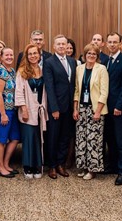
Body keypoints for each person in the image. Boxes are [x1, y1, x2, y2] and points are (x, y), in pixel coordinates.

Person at [73, 44, 109, 180]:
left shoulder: (101, 69)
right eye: (89, 53)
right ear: (84, 55)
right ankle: (83, 166)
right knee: (81, 139)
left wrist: (98, 111)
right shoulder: (79, 69)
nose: (91, 56)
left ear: (97, 56)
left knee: (94, 140)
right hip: (82, 108)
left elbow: (104, 92)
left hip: (95, 109)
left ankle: (93, 169)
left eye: (94, 54)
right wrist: (75, 109)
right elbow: (77, 90)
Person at [43, 35, 77, 179]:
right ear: (54, 46)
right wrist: (54, 108)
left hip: (69, 107)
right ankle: (51, 166)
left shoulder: (72, 61)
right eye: (59, 44)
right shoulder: (49, 62)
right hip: (56, 108)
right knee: (53, 137)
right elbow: (49, 87)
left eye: (64, 44)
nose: (62, 46)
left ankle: (60, 164)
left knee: (65, 137)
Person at [102, 32, 122, 185]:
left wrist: (119, 106)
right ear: (106, 44)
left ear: (120, 44)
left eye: (115, 42)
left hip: (118, 108)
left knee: (121, 140)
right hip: (106, 107)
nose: (112, 44)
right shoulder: (106, 61)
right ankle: (113, 166)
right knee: (110, 139)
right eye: (110, 42)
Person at [15, 44, 48, 179]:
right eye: (30, 54)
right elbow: (19, 92)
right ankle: (27, 166)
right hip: (28, 109)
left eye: (35, 53)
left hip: (40, 110)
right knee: (28, 138)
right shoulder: (22, 71)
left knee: (37, 138)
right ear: (26, 56)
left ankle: (37, 165)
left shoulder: (42, 70)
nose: (33, 56)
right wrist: (24, 109)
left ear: (39, 55)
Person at [0, 47, 19, 178]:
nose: (9, 57)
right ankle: (0, 167)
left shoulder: (12, 71)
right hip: (2, 111)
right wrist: (3, 114)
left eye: (11, 54)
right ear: (1, 57)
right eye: (6, 55)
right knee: (2, 140)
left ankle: (6, 163)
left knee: (14, 138)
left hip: (12, 110)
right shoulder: (0, 72)